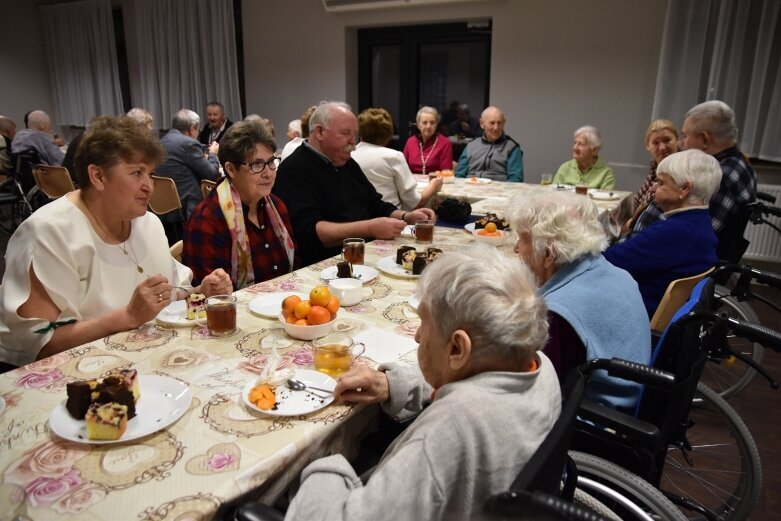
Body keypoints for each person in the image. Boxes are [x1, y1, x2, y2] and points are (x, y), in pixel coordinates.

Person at [286, 246, 560, 520]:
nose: (417, 336)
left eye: (424, 323)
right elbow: (478, 384)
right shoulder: (537, 364)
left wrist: (327, 463)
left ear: (457, 349)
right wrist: (392, 383)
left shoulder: (447, 433)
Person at [0, 115, 232, 367]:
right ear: (98, 176)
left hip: (138, 362)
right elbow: (40, 345)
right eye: (136, 173)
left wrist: (201, 293)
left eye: (150, 174)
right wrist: (127, 316)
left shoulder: (148, 224)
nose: (149, 186)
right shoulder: (48, 233)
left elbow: (169, 299)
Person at [508, 187, 650, 411]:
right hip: (629, 390)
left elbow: (537, 394)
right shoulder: (615, 273)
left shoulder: (558, 313)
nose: (516, 248)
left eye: (523, 239)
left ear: (549, 254)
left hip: (592, 418)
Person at [273, 101, 435, 266]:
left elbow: (375, 204)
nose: (353, 142)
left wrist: (406, 216)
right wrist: (370, 228)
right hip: (328, 266)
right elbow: (311, 233)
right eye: (345, 133)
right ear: (319, 131)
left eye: (355, 134)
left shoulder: (345, 162)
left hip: (365, 255)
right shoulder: (294, 169)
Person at [604, 150, 721, 316]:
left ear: (684, 188)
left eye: (661, 183)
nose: (653, 189)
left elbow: (608, 261)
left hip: (633, 312)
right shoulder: (700, 221)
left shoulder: (675, 232)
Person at [184, 121, 298, 288]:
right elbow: (212, 296)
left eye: (271, 162)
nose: (268, 173)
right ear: (230, 169)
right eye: (257, 165)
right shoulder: (207, 221)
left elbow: (295, 270)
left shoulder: (276, 206)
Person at [352, 107, 442, 211]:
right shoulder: (393, 156)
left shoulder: (349, 155)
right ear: (388, 134)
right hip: (389, 220)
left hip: (357, 218)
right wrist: (433, 186)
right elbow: (414, 202)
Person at [157, 109, 221, 220]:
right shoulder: (189, 143)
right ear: (191, 129)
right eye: (198, 130)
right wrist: (213, 154)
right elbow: (212, 175)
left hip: (163, 208)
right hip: (186, 208)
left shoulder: (161, 142)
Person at [619, 119, 680, 237]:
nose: (662, 147)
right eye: (656, 143)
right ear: (647, 146)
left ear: (678, 140)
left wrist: (628, 224)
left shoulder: (679, 172)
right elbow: (638, 202)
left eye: (667, 140)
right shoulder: (656, 167)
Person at [454, 106, 523, 182]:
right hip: (470, 189)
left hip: (498, 190)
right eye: (492, 123)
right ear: (482, 124)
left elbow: (515, 180)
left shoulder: (512, 148)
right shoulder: (471, 146)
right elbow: (459, 175)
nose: (496, 127)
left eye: (499, 123)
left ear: (504, 123)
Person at [402, 106, 453, 175]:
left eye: (432, 123)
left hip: (435, 182)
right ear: (418, 125)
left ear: (436, 125)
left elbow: (446, 173)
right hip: (412, 183)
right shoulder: (410, 141)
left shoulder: (445, 143)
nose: (428, 126)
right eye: (424, 122)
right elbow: (402, 168)